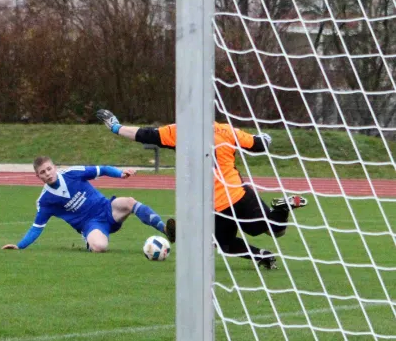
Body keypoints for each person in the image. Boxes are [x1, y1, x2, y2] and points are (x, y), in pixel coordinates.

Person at [96, 109, 308, 269]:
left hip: (213, 206)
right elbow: (259, 144)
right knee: (274, 231)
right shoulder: (226, 130)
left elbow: (143, 134)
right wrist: (266, 138)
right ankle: (270, 238)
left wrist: (115, 127)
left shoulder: (178, 131)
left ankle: (188, 232)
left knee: (225, 243)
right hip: (238, 195)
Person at [2, 156, 176, 252]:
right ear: (38, 177)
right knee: (100, 247)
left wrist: (120, 173)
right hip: (91, 224)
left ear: (54, 167)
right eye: (42, 172)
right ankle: (89, 242)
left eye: (49, 169)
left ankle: (165, 230)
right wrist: (19, 246)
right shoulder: (45, 201)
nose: (47, 174)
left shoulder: (72, 173)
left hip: (107, 208)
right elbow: (36, 227)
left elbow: (103, 169)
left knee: (129, 202)